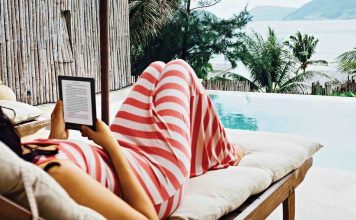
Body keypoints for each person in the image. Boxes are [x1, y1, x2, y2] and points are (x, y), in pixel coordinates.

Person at [0, 60, 243, 220]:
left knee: (156, 69)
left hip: (126, 156)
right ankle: (226, 153)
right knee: (178, 69)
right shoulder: (52, 174)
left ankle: (197, 155)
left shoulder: (12, 160)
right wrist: (110, 145)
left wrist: (57, 138)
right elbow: (145, 217)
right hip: (153, 178)